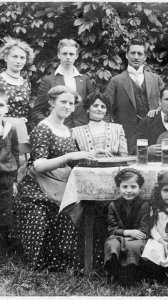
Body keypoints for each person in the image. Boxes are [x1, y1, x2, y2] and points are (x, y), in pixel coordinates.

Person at [12, 85, 94, 270]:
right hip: (37, 188)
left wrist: (92, 153)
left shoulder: (67, 130)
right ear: (51, 103)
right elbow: (39, 165)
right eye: (62, 102)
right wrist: (68, 157)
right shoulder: (43, 128)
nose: (67, 106)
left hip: (59, 185)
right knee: (48, 212)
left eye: (71, 103)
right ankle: (49, 260)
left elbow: (72, 161)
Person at [105, 38, 165, 154]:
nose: (136, 57)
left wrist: (157, 109)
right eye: (132, 53)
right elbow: (106, 110)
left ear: (145, 57)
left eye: (140, 54)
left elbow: (166, 103)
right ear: (127, 55)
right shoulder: (116, 81)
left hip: (153, 131)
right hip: (127, 134)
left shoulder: (155, 78)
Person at [31, 39, 94, 128]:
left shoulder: (84, 79)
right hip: (58, 133)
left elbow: (92, 106)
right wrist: (50, 127)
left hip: (82, 131)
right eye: (64, 53)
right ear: (58, 55)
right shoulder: (48, 80)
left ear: (76, 56)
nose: (68, 57)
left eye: (71, 54)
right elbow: (37, 111)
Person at [104, 168, 150, 284]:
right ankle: (113, 272)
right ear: (119, 188)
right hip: (120, 236)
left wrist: (127, 239)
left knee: (133, 246)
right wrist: (127, 233)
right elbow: (112, 229)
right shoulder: (113, 205)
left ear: (139, 188)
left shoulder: (144, 206)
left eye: (133, 187)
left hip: (138, 238)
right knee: (111, 243)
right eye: (125, 187)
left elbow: (143, 230)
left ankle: (132, 274)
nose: (129, 190)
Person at [0, 38, 34, 129]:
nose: (18, 61)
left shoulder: (26, 82)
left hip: (22, 131)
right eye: (14, 57)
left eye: (22, 57)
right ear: (6, 58)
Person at [0, 89, 19, 252]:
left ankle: (4, 245)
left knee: (5, 208)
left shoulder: (10, 129)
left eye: (0, 105)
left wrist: (14, 178)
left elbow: (15, 152)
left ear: (6, 108)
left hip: (6, 175)